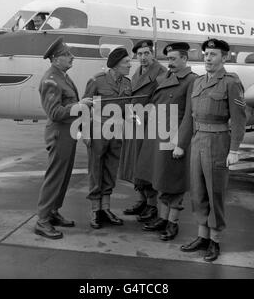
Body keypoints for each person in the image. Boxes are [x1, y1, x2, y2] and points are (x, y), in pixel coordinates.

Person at [180, 38, 246, 262]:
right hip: (198, 141)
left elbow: (239, 120)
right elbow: (190, 117)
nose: (208, 58)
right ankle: (202, 237)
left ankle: (215, 241)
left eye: (213, 55)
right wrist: (182, 144)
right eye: (206, 54)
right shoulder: (198, 82)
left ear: (224, 57)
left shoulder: (231, 83)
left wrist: (234, 149)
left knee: (214, 192)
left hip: (218, 142)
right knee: (198, 192)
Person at [136, 42, 197, 240]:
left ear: (185, 59)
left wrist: (181, 143)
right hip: (157, 135)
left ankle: (173, 222)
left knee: (175, 182)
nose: (169, 63)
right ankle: (162, 218)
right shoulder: (164, 78)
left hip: (174, 136)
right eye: (168, 59)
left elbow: (189, 115)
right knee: (160, 179)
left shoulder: (191, 80)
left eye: (173, 59)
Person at [35, 37, 92, 239]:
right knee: (55, 178)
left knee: (64, 177)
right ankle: (42, 221)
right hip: (59, 134)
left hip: (67, 135)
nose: (72, 57)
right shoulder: (51, 79)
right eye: (67, 54)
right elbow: (55, 113)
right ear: (55, 58)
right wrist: (81, 105)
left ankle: (52, 212)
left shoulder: (62, 76)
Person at [83, 47, 132, 229]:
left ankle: (106, 208)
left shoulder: (127, 83)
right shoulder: (96, 81)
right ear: (116, 65)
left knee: (111, 171)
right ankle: (95, 210)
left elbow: (127, 108)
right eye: (126, 62)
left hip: (117, 133)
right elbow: (85, 106)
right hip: (97, 132)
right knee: (96, 170)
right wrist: (86, 132)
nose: (130, 65)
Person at [119, 39, 166, 223]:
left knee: (147, 166)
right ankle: (142, 200)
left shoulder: (161, 73)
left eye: (146, 53)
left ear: (152, 53)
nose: (143, 57)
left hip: (148, 125)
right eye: (140, 54)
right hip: (134, 125)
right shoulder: (137, 72)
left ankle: (152, 205)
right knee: (135, 165)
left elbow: (160, 101)